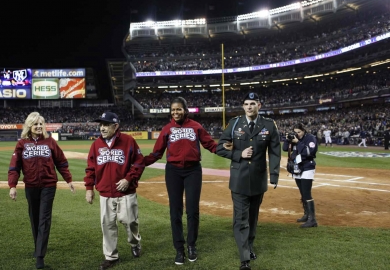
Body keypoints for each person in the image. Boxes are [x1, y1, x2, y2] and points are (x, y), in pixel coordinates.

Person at [143, 97, 218, 265]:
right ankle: (179, 249)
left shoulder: (196, 127)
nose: (175, 112)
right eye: (173, 110)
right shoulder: (167, 129)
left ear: (185, 110)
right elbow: (156, 153)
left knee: (192, 210)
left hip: (193, 171)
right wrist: (140, 161)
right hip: (173, 171)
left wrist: (229, 150)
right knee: (175, 211)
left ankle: (191, 245)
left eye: (178, 109)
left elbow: (211, 145)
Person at [216, 92, 281, 270]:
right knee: (241, 219)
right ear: (243, 106)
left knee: (252, 218)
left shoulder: (269, 125)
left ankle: (249, 245)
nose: (249, 106)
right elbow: (220, 148)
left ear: (259, 105)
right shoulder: (235, 123)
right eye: (246, 104)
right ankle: (244, 258)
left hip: (259, 179)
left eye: (253, 103)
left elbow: (275, 151)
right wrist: (238, 154)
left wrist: (274, 175)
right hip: (239, 179)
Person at [8, 112, 75, 269]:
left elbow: (61, 162)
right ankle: (38, 245)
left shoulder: (50, 142)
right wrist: (12, 185)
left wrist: (69, 180)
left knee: (44, 218)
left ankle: (39, 256)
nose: (39, 126)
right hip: (30, 185)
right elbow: (14, 166)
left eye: (41, 124)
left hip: (48, 185)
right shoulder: (22, 144)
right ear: (29, 126)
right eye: (35, 124)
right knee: (34, 217)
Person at [84, 111, 144, 270]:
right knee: (107, 225)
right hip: (105, 193)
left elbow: (139, 163)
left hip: (126, 191)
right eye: (100, 125)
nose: (102, 128)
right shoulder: (96, 144)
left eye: (105, 125)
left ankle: (135, 243)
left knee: (130, 222)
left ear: (115, 126)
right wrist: (89, 188)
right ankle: (111, 257)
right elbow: (90, 168)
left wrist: (128, 179)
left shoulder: (128, 141)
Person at [282, 123, 318, 228]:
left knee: (306, 193)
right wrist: (287, 139)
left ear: (304, 131)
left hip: (307, 167)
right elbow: (285, 149)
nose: (297, 134)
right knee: (302, 193)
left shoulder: (310, 138)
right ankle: (306, 215)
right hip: (297, 168)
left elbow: (310, 152)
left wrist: (298, 142)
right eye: (295, 132)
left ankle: (313, 219)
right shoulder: (294, 138)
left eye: (299, 132)